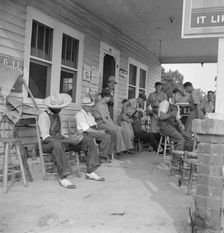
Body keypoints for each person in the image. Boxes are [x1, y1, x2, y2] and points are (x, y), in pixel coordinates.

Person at [38, 93, 105, 189]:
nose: (60, 109)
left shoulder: (57, 115)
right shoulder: (43, 116)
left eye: (61, 107)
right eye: (59, 108)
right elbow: (45, 137)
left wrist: (72, 138)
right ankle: (63, 178)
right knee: (58, 144)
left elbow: (60, 135)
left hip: (59, 141)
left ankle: (91, 172)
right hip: (48, 144)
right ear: (52, 107)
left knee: (87, 139)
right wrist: (64, 141)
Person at [75, 96, 114, 163]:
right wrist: (99, 132)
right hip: (87, 133)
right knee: (107, 137)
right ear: (83, 106)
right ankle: (101, 157)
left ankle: (107, 154)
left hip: (94, 129)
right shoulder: (80, 115)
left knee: (113, 134)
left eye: (91, 106)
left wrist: (100, 129)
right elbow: (86, 129)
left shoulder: (89, 114)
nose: (90, 107)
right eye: (88, 106)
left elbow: (94, 123)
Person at [158, 85, 193, 151]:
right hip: (164, 127)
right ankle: (176, 160)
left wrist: (181, 124)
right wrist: (171, 114)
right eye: (179, 95)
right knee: (180, 139)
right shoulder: (165, 103)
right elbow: (162, 117)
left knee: (189, 138)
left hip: (173, 126)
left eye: (181, 96)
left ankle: (185, 156)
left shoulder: (177, 107)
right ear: (173, 94)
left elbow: (177, 119)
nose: (180, 97)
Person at [92, 88, 127, 155]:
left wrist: (113, 124)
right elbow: (104, 119)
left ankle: (115, 150)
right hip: (100, 124)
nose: (110, 99)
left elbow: (108, 117)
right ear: (105, 97)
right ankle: (119, 150)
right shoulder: (99, 105)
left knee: (120, 129)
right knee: (117, 129)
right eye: (109, 97)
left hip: (105, 123)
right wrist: (113, 126)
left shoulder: (105, 104)